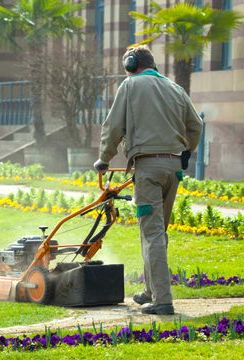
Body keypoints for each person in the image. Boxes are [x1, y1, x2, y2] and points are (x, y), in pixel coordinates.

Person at [93, 45, 203, 315]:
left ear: (131, 64)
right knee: (156, 232)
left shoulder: (130, 86)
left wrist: (104, 159)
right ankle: (150, 291)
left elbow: (113, 127)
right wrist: (187, 151)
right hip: (174, 169)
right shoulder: (176, 89)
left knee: (151, 233)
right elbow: (196, 126)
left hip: (148, 170)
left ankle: (163, 300)